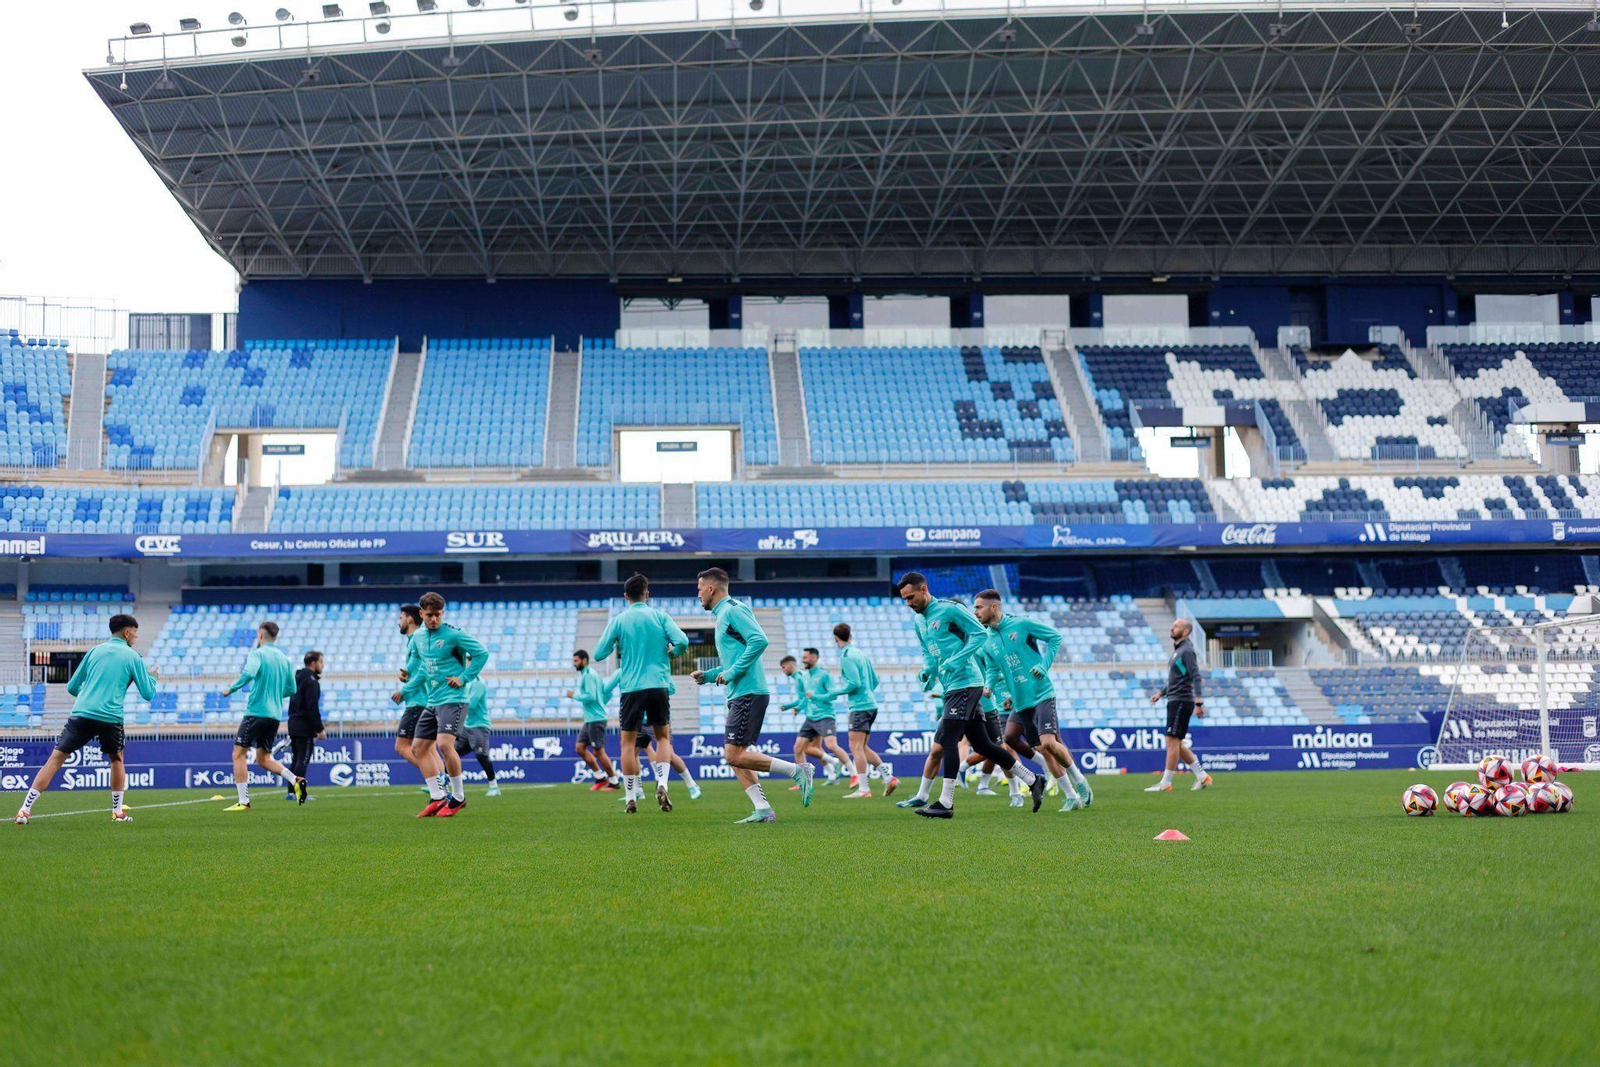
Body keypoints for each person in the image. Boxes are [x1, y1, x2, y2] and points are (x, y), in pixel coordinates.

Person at [892, 572, 1043, 819]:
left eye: (911, 597)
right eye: (904, 600)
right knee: (983, 744)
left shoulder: (949, 610)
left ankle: (945, 802)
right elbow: (928, 651)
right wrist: (928, 670)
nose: (908, 603)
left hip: (967, 683)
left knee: (947, 739)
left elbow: (979, 634)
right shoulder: (918, 621)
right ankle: (1032, 778)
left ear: (924, 589)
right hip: (951, 686)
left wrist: (956, 660)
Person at [691, 567, 813, 823]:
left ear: (711, 588)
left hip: (749, 692)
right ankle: (763, 810)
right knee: (735, 758)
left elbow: (760, 640)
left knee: (733, 755)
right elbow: (732, 662)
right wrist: (709, 676)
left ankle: (798, 770)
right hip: (740, 692)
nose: (698, 593)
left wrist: (733, 671)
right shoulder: (723, 614)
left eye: (700, 588)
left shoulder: (733, 609)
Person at [16, 613, 158, 825]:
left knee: (55, 759)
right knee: (116, 759)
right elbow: (148, 693)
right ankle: (117, 812)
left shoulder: (94, 652)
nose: (136, 637)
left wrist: (88, 697)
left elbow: (72, 686)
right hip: (110, 716)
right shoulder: (133, 657)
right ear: (127, 633)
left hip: (81, 713)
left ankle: (24, 810)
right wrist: (153, 678)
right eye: (135, 633)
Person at [973, 590, 1094, 812]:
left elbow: (1055, 637)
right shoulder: (987, 641)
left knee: (1048, 743)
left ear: (993, 608)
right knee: (1015, 740)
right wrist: (989, 685)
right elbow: (992, 668)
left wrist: (1043, 665)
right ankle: (1071, 797)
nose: (975, 612)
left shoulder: (1022, 624)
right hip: (1019, 702)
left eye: (979, 607)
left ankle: (1079, 781)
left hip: (1041, 694)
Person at [592, 574, 688, 814]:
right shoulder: (660, 616)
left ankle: (630, 797)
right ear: (648, 593)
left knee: (627, 744)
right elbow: (683, 641)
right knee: (662, 738)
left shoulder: (619, 620)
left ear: (626, 596)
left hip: (631, 688)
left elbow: (599, 654)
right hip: (658, 684)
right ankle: (663, 783)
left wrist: (619, 642)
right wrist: (672, 653)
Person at [410, 592, 490, 818]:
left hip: (454, 700)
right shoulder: (417, 637)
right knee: (418, 748)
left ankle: (458, 797)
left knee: (445, 745)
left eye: (437, 615)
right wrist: (409, 675)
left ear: (442, 613)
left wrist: (464, 677)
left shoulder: (455, 634)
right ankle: (437, 796)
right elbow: (420, 662)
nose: (434, 619)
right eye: (429, 615)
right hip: (432, 700)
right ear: (421, 614)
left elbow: (481, 654)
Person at [223, 621, 305, 811]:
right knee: (264, 758)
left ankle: (244, 801)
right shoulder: (284, 658)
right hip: (274, 715)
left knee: (238, 754)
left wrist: (231, 688)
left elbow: (249, 672)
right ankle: (295, 780)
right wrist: (275, 695)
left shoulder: (257, 654)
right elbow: (292, 688)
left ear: (260, 636)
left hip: (256, 712)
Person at [1146, 618, 1213, 793]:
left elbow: (1195, 676)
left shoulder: (1187, 651)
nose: (1171, 627)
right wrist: (1161, 693)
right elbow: (1177, 680)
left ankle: (1166, 782)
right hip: (1175, 699)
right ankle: (1202, 776)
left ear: (1185, 632)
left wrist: (1199, 702)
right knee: (1176, 743)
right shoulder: (1179, 651)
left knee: (1172, 740)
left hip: (1182, 700)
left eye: (1176, 626)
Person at [835, 623, 896, 798]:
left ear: (835, 639)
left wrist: (834, 692)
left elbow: (854, 683)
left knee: (855, 747)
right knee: (862, 746)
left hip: (860, 706)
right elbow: (874, 681)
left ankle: (864, 788)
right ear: (850, 636)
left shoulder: (846, 656)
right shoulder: (860, 653)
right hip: (871, 704)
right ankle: (888, 777)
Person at [391, 604, 445, 797]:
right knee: (429, 748)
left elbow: (425, 668)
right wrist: (407, 674)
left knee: (402, 746)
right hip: (424, 699)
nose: (399, 621)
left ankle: (437, 780)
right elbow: (420, 668)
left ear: (410, 619)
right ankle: (442, 784)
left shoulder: (418, 638)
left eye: (401, 617)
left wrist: (403, 690)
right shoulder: (416, 639)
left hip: (418, 701)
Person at [568, 649, 621, 791]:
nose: (574, 664)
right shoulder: (592, 674)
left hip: (596, 719)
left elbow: (591, 696)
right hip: (591, 718)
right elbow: (605, 692)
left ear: (584, 660)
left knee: (599, 752)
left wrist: (574, 695)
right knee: (580, 748)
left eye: (576, 661)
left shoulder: (589, 676)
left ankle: (614, 782)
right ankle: (600, 777)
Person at [285, 650, 325, 802]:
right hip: (304, 725)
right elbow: (312, 707)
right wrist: (319, 729)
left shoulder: (298, 678)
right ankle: (299, 792)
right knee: (303, 759)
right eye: (321, 662)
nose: (323, 665)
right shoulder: (311, 681)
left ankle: (290, 792)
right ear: (313, 663)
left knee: (296, 759)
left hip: (293, 722)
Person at [455, 677, 500, 797]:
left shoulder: (478, 682)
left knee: (481, 755)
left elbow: (472, 704)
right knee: (451, 752)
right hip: (467, 726)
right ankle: (441, 785)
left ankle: (494, 786)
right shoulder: (466, 681)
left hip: (479, 725)